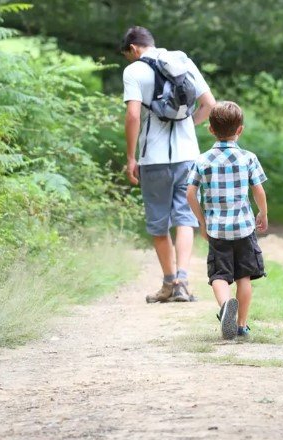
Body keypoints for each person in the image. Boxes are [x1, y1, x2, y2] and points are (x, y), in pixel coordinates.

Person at [120, 26, 216, 303]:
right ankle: (183, 281)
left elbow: (133, 116)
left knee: (159, 223)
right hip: (188, 156)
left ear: (134, 49)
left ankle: (168, 283)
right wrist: (188, 124)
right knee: (185, 218)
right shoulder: (182, 61)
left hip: (154, 159)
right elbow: (209, 103)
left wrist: (130, 157)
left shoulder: (134, 71)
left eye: (128, 55)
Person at [187, 101, 269, 340]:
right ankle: (241, 325)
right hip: (244, 227)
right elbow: (259, 190)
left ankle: (225, 307)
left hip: (217, 230)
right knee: (244, 277)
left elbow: (190, 193)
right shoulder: (248, 158)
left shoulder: (202, 160)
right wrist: (262, 213)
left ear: (211, 129)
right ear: (240, 129)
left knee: (219, 276)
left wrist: (202, 222)